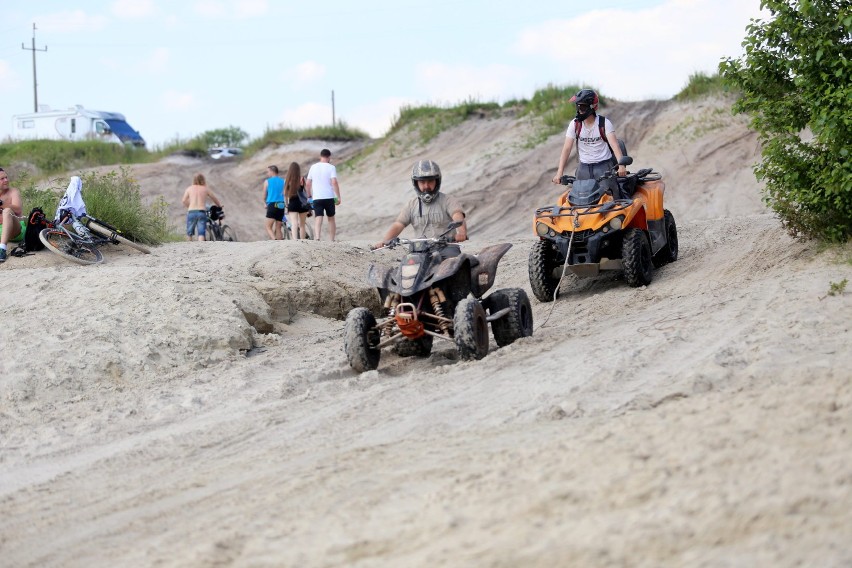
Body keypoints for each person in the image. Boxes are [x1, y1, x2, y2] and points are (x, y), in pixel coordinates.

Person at [374, 159, 467, 258]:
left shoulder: (448, 200)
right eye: (422, 182)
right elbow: (398, 224)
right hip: (419, 250)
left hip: (447, 248)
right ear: (416, 183)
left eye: (430, 181)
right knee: (406, 269)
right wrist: (385, 241)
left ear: (437, 181)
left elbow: (458, 216)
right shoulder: (411, 205)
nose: (426, 186)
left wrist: (461, 232)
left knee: (453, 266)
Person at [552, 88, 627, 187]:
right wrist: (559, 172)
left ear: (592, 107)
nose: (579, 111)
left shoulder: (604, 123)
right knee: (576, 198)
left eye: (582, 107)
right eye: (577, 107)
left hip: (604, 167)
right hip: (584, 168)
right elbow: (566, 148)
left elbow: (615, 145)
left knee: (611, 196)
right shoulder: (575, 124)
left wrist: (621, 166)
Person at [306, 148, 341, 241]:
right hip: (329, 197)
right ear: (329, 157)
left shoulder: (313, 167)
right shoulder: (331, 167)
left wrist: (309, 195)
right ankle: (331, 239)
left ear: (320, 156)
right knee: (331, 218)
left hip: (317, 197)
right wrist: (338, 196)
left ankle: (317, 237)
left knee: (318, 217)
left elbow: (308, 183)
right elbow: (334, 182)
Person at [181, 173, 222, 241]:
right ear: (203, 180)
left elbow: (184, 200)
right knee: (201, 233)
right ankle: (200, 249)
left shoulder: (189, 189)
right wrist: (219, 206)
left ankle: (188, 249)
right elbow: (214, 198)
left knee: (189, 233)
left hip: (191, 212)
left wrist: (189, 207)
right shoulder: (205, 189)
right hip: (201, 212)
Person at [0, 167, 25, 263]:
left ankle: (2, 249)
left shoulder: (13, 192)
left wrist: (2, 203)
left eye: (6, 177)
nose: (6, 180)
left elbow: (18, 210)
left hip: (16, 230)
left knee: (7, 211)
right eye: (2, 179)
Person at [284, 162, 310, 239]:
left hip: (292, 204)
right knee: (302, 224)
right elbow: (306, 192)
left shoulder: (287, 180)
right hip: (302, 204)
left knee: (294, 223)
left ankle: (295, 241)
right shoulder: (302, 179)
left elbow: (285, 194)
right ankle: (303, 241)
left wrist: (286, 205)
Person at [263, 165, 286, 240]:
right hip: (281, 205)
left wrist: (264, 202)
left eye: (268, 172)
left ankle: (274, 240)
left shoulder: (267, 181)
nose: (267, 173)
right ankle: (279, 244)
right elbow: (285, 193)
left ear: (272, 171)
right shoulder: (283, 181)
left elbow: (264, 195)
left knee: (268, 226)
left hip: (272, 204)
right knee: (278, 227)